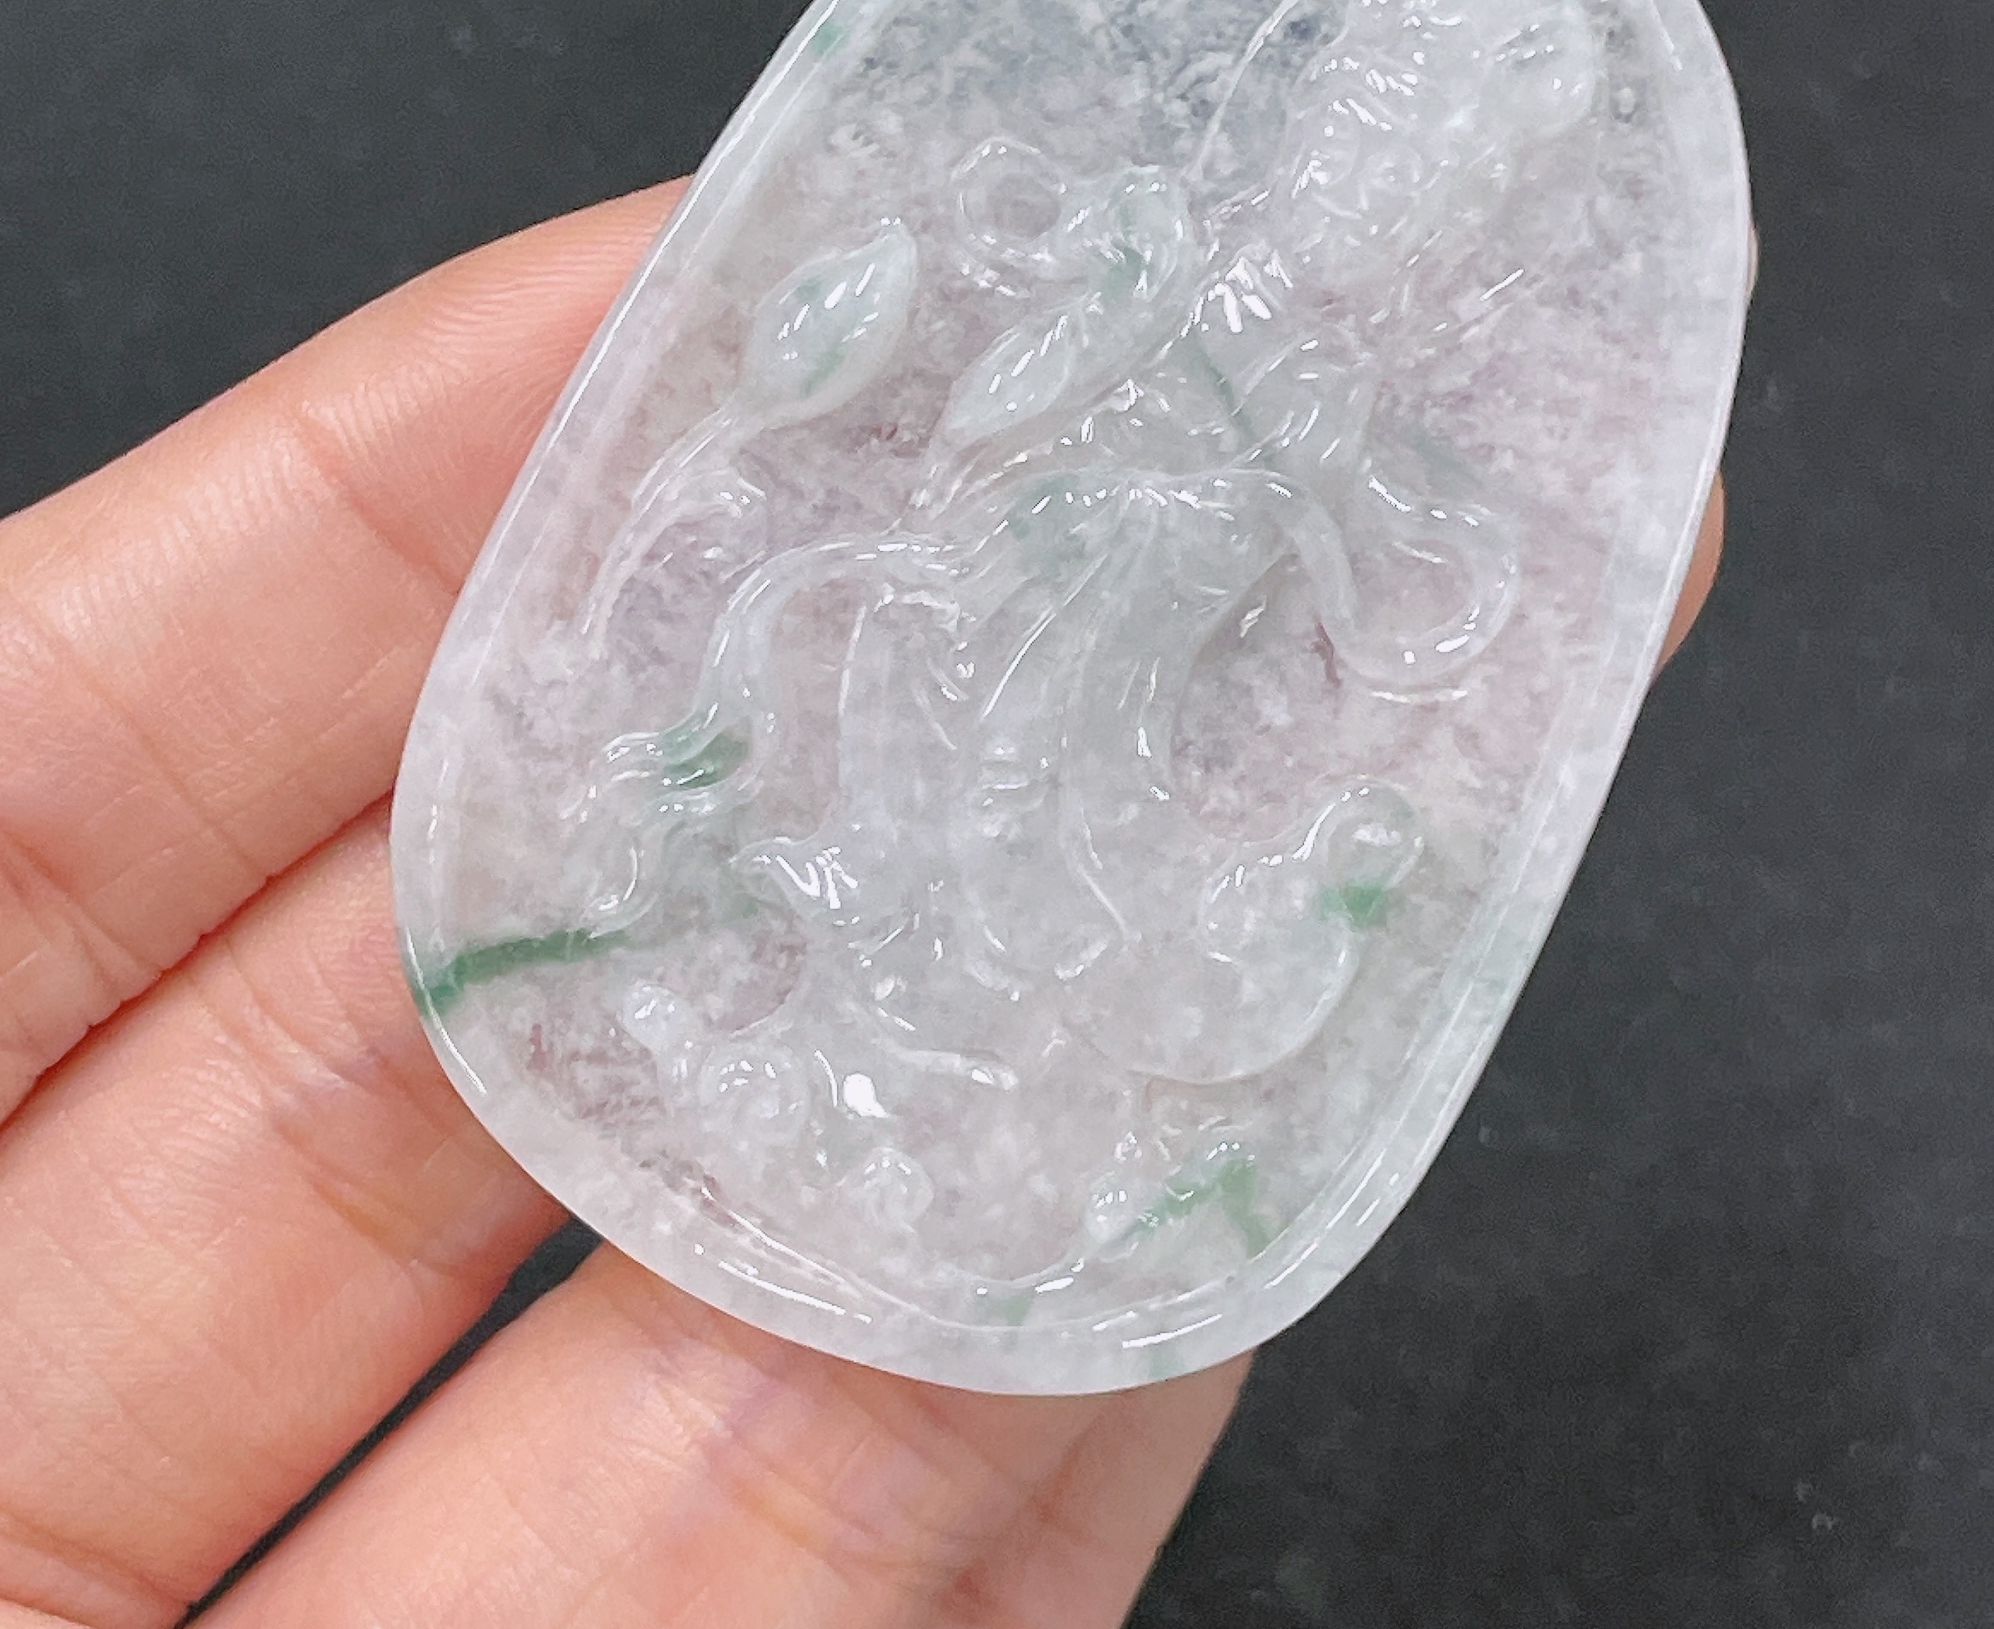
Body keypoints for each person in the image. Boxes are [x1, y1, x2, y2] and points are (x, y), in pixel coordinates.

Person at [0, 182, 1723, 1627]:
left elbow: (1413, 596)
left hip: (1125, 691)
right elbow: (1000, 417)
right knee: (885, 731)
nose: (1385, 154)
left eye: (1437, 136)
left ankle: (921, 1050)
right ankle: (811, 999)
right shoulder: (1150, 255)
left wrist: (1290, 509)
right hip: (985, 607)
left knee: (1059, 892)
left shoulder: (1338, 395)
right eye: (1378, 99)